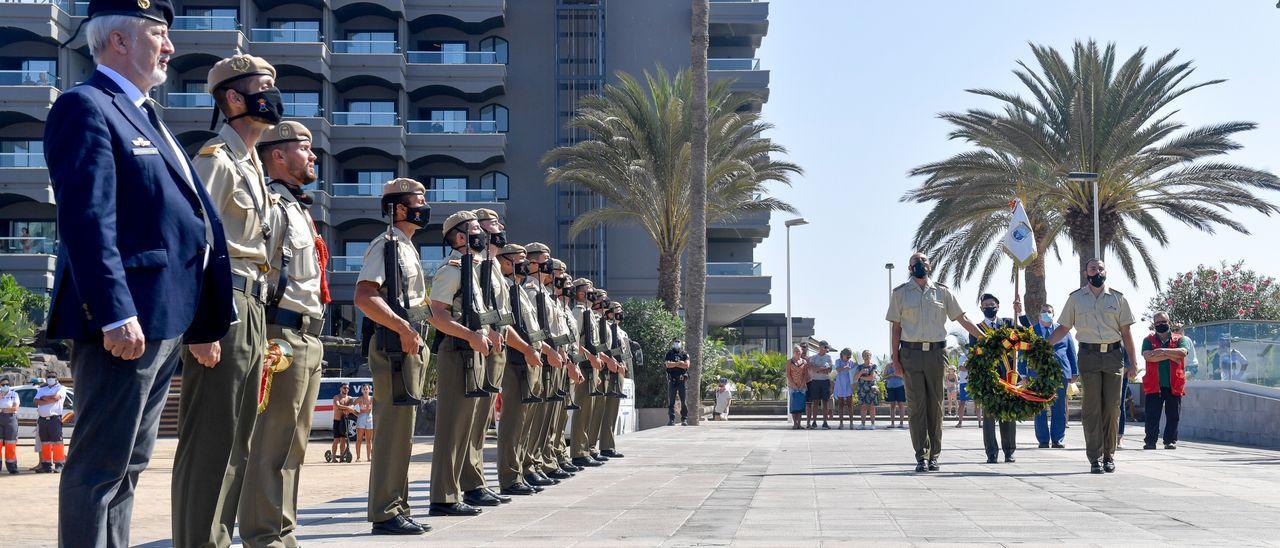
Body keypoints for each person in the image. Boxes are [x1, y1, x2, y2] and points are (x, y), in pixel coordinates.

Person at [45, 2, 236, 541]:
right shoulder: (86, 107)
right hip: (126, 322)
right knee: (98, 469)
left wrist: (200, 323)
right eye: (159, 34)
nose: (170, 47)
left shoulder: (146, 113)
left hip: (165, 319)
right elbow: (87, 221)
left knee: (128, 467)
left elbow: (186, 225)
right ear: (118, 42)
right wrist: (113, 312)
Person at [171, 52, 282, 548]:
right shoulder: (215, 158)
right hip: (226, 306)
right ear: (233, 97)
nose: (273, 95)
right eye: (263, 85)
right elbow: (192, 242)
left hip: (252, 306)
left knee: (238, 442)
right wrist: (201, 325)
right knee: (211, 441)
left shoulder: (251, 163)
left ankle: (214, 539)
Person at [236, 119, 331, 547]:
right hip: (279, 333)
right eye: (305, 148)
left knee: (293, 448)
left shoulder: (298, 207)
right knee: (270, 446)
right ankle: (263, 536)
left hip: (308, 336)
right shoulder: (272, 204)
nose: (313, 156)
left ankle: (283, 532)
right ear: (278, 154)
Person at [358, 178, 434, 534]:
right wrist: (403, 329)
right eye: (418, 200)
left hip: (408, 347)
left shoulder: (405, 247)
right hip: (393, 347)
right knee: (391, 431)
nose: (424, 206)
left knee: (403, 432)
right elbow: (364, 296)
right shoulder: (385, 245)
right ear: (399, 209)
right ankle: (385, 512)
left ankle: (397, 505)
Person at [885, 252, 982, 473]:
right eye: (915, 262)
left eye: (924, 261)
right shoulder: (900, 294)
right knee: (917, 406)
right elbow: (896, 328)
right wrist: (895, 359)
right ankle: (921, 455)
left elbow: (962, 318)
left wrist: (985, 338)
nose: (920, 264)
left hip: (937, 354)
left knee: (936, 406)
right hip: (910, 354)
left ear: (930, 265)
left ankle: (934, 456)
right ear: (909, 268)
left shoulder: (943, 292)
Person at [427, 210, 495, 517]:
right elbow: (437, 315)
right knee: (451, 427)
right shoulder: (453, 269)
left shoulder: (473, 269)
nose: (482, 234)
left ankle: (455, 490)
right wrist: (470, 336)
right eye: (475, 229)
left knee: (465, 427)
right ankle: (443, 497)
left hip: (472, 350)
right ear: (459, 237)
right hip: (456, 351)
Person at [1049, 258, 1138, 474]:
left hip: (1114, 356)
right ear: (1085, 272)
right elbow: (1063, 327)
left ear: (1106, 271)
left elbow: (1126, 333)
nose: (1096, 271)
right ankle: (1095, 457)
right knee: (1092, 409)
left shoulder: (1118, 298)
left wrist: (1133, 363)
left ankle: (1109, 455)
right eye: (1092, 268)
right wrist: (1043, 345)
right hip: (1088, 355)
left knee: (1112, 407)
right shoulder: (1076, 299)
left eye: (1100, 268)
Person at [457, 209, 514, 509]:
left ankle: (476, 479)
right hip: (482, 344)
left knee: (482, 421)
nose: (500, 227)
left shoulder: (491, 266)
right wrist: (490, 331)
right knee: (475, 419)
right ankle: (470, 482)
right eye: (493, 224)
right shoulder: (476, 264)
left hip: (495, 345)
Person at [1022, 303, 1077, 449]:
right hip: (1037, 373)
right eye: (1044, 311)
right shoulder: (1031, 332)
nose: (1047, 313)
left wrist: (1074, 371)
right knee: (1039, 406)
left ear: (1054, 314)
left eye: (1050, 311)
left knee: (1059, 407)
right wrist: (1023, 373)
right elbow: (1023, 353)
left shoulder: (1063, 331)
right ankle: (1043, 440)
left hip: (1060, 373)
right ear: (1039, 314)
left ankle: (1057, 439)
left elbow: (1071, 352)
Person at [971, 293, 1017, 464]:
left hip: (1007, 375)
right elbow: (974, 351)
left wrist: (1019, 312)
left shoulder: (1009, 323)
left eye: (992, 304)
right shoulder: (977, 328)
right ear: (981, 308)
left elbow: (1026, 332)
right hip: (988, 378)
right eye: (986, 305)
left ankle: (1009, 451)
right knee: (989, 418)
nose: (989, 307)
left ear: (998, 305)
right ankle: (991, 453)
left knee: (1008, 416)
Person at [1141, 312, 1189, 450]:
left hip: (1174, 384)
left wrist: (1161, 351)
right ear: (1154, 324)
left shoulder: (1179, 339)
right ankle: (1150, 441)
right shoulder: (1148, 340)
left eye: (1163, 321)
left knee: (1173, 415)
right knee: (1151, 415)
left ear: (1169, 322)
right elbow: (1148, 357)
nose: (1160, 324)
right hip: (1154, 384)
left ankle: (1170, 441)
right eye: (1157, 323)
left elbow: (1182, 353)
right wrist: (1171, 355)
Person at [33, 373, 67, 473]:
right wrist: (50, 400)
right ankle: (46, 465)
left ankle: (59, 464)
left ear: (56, 378)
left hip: (54, 419)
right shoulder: (42, 389)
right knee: (45, 443)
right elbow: (35, 401)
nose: (50, 378)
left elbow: (56, 398)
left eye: (52, 377)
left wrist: (43, 399)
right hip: (43, 420)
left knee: (57, 442)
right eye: (48, 377)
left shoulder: (61, 388)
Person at [806, 341, 835, 429]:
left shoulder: (829, 357)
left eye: (827, 347)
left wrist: (818, 369)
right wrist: (821, 369)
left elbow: (829, 370)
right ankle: (814, 422)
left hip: (825, 381)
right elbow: (812, 369)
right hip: (815, 381)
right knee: (815, 402)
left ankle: (825, 422)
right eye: (825, 347)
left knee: (825, 402)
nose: (827, 349)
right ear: (820, 347)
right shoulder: (814, 357)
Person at [665, 338, 691, 426]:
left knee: (683, 401)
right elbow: (668, 365)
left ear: (681, 343)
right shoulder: (669, 353)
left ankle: (684, 419)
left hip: (681, 380)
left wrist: (674, 364)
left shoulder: (684, 353)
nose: (677, 343)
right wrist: (679, 363)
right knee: (671, 401)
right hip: (672, 379)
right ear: (673, 343)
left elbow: (686, 365)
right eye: (675, 342)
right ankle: (671, 420)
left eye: (678, 342)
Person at [785, 346, 810, 430]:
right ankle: (795, 423)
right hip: (792, 387)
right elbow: (788, 374)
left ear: (801, 352)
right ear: (793, 352)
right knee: (793, 405)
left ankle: (799, 423)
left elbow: (805, 374)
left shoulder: (804, 362)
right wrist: (794, 385)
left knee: (800, 406)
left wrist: (802, 384)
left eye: (799, 351)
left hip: (802, 387)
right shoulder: (789, 362)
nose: (797, 352)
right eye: (796, 351)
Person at [855, 350, 879, 430]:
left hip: (871, 388)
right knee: (863, 407)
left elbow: (871, 377)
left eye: (868, 355)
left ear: (870, 356)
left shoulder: (874, 366)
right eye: (865, 355)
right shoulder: (860, 367)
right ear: (863, 357)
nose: (867, 357)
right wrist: (861, 372)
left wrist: (861, 377)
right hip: (862, 388)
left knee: (872, 406)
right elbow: (855, 378)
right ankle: (862, 424)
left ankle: (872, 424)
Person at [881, 355, 907, 429]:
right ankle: (892, 423)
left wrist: (898, 374)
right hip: (890, 387)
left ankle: (901, 423)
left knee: (901, 404)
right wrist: (891, 375)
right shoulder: (888, 366)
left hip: (900, 387)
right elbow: (884, 377)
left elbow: (905, 376)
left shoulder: (901, 365)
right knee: (892, 405)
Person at [832, 349, 855, 429]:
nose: (849, 358)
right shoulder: (838, 361)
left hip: (848, 384)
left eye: (850, 356)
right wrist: (845, 367)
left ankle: (851, 423)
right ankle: (841, 423)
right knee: (841, 404)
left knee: (850, 404)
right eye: (847, 356)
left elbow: (855, 371)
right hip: (840, 384)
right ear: (843, 355)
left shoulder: (851, 362)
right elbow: (837, 369)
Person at [332, 384, 355, 461]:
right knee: (336, 439)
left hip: (344, 420)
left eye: (347, 388)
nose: (346, 389)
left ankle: (342, 457)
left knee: (343, 439)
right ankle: (334, 457)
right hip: (337, 420)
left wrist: (349, 408)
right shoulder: (336, 397)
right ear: (341, 388)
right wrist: (348, 408)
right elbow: (338, 406)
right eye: (344, 388)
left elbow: (352, 407)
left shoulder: (350, 398)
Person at [0, 379, 17, 474]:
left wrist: (2, 410)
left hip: (10, 420)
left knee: (10, 444)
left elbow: (15, 408)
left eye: (7, 384)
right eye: (3, 384)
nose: (5, 386)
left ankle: (12, 467)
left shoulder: (14, 394)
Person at [355, 385, 375, 461]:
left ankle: (369, 457)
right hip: (361, 418)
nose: (366, 390)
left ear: (369, 390)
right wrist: (356, 413)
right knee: (359, 439)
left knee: (369, 440)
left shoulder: (372, 399)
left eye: (367, 389)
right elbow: (352, 406)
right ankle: (358, 457)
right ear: (362, 390)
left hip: (370, 418)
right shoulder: (359, 399)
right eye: (364, 389)